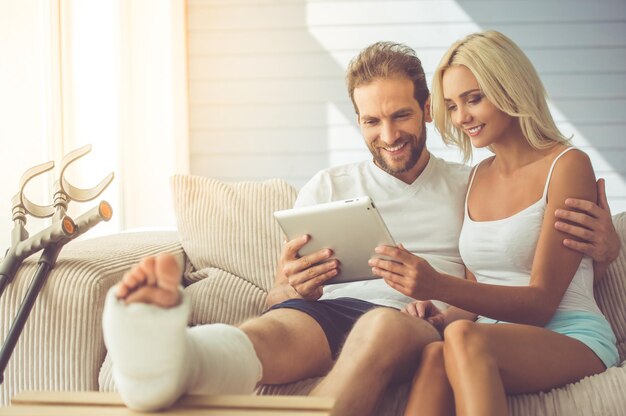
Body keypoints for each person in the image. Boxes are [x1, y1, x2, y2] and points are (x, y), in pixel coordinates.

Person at [102, 41, 620, 416]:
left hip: (405, 320)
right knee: (277, 329)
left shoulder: (466, 181)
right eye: (371, 122)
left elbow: (534, 267)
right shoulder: (332, 184)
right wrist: (290, 285)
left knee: (383, 324)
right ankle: (175, 362)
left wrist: (608, 247)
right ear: (358, 121)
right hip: (335, 311)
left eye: (401, 116)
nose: (388, 135)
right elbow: (277, 296)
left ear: (426, 112)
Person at [365, 31, 621, 416]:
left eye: (474, 99)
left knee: (464, 338)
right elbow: (475, 292)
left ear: (511, 89)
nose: (462, 117)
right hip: (486, 334)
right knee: (437, 351)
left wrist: (435, 283)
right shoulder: (477, 177)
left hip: (569, 332)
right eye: (452, 106)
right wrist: (441, 313)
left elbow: (541, 304)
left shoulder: (566, 165)